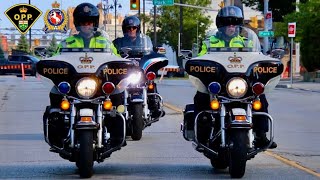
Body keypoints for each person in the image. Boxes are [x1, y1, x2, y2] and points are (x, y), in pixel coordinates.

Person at [195, 6, 277, 149]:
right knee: (200, 97)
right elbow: (201, 57)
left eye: (234, 24)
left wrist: (267, 61)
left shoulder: (247, 42)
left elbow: (258, 57)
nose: (231, 27)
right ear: (221, 25)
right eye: (227, 24)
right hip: (219, 82)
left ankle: (261, 134)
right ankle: (202, 135)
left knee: (260, 98)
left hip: (241, 83)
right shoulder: (209, 42)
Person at [45, 3, 123, 147]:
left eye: (89, 22)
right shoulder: (68, 42)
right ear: (77, 24)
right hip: (74, 85)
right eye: (82, 22)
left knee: (118, 94)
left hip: (98, 84)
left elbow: (116, 58)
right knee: (55, 93)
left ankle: (116, 131)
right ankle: (57, 131)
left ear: (94, 23)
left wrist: (125, 63)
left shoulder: (104, 42)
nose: (86, 26)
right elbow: (56, 57)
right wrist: (46, 62)